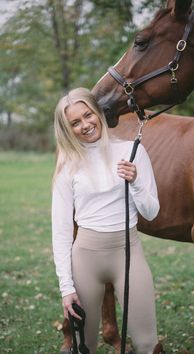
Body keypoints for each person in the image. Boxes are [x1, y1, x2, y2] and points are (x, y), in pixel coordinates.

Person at [52, 87, 161, 354]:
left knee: (147, 344)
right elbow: (62, 230)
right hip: (85, 259)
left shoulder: (132, 151)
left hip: (128, 253)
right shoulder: (68, 163)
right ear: (68, 129)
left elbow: (151, 212)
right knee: (83, 344)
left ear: (99, 112)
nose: (85, 125)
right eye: (75, 123)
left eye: (88, 115)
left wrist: (135, 182)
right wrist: (66, 287)